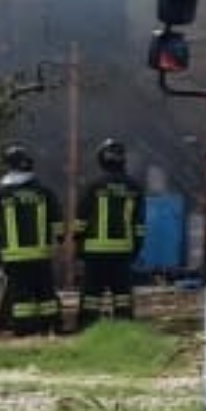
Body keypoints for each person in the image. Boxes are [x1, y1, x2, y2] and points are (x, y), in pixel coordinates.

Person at [0, 143, 64, 337]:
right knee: (46, 291)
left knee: (21, 294)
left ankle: (25, 327)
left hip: (14, 256)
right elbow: (57, 222)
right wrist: (59, 240)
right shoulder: (44, 192)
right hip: (41, 254)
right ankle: (52, 325)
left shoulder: (2, 193)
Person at [76, 139, 143, 326]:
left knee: (91, 293)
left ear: (101, 159)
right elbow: (139, 224)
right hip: (123, 251)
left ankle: (88, 324)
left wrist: (77, 242)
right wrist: (137, 247)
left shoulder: (93, 185)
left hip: (94, 251)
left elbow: (81, 220)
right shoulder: (134, 187)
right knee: (122, 292)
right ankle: (124, 323)